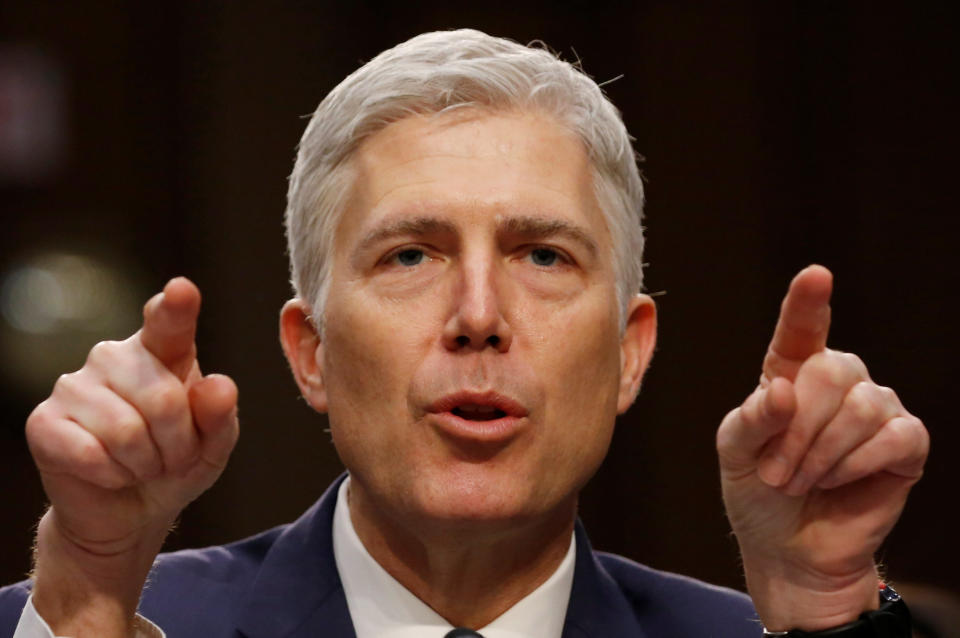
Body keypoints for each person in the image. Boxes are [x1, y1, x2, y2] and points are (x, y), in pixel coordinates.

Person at [0, 29, 928, 638]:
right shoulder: (93, 616)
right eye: (410, 256)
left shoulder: (775, 632)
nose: (479, 317)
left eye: (543, 256)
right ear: (311, 351)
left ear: (627, 352)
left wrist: (824, 608)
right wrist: (90, 583)